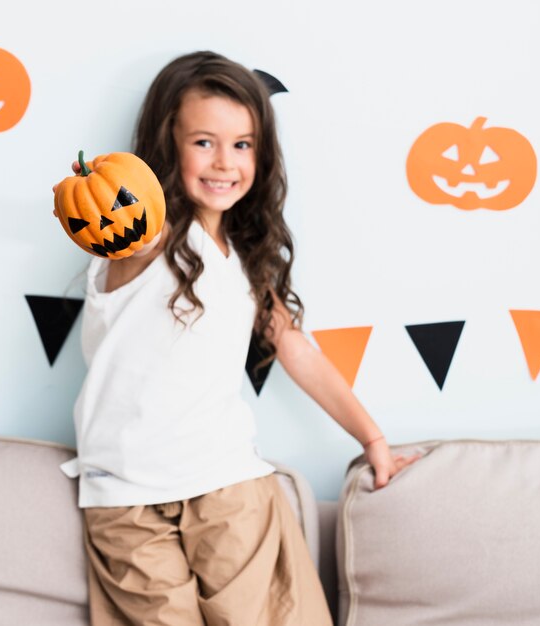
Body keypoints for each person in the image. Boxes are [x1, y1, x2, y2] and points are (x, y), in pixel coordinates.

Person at [55, 50, 419, 626]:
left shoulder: (246, 261)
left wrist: (372, 439)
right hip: (122, 497)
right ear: (165, 144)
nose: (224, 161)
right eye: (204, 142)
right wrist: (100, 185)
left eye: (243, 144)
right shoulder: (142, 238)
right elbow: (112, 216)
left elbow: (296, 351)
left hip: (228, 487)